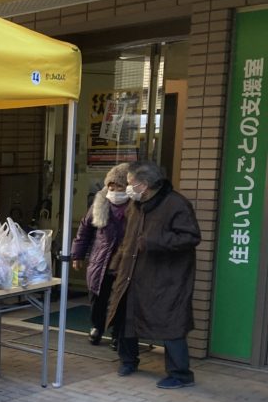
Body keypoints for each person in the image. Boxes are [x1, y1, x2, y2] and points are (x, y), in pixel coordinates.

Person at [107, 161, 201, 389]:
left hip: (165, 277)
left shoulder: (176, 204)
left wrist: (154, 241)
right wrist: (117, 262)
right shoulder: (136, 204)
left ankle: (181, 374)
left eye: (130, 183)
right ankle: (128, 360)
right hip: (131, 271)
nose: (128, 188)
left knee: (171, 322)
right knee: (126, 315)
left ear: (144, 185)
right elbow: (128, 238)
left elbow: (190, 237)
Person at [70, 163, 130, 347]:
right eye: (111, 186)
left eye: (119, 186)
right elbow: (85, 230)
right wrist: (77, 255)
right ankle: (97, 326)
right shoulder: (100, 202)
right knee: (97, 296)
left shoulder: (136, 206)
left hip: (124, 261)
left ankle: (118, 333)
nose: (114, 190)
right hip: (101, 259)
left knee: (121, 299)